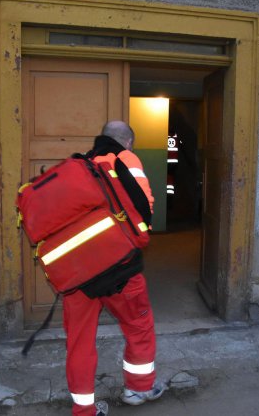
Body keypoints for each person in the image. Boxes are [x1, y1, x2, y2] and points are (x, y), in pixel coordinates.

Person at [63, 120, 166, 416]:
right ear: (128, 142)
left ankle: (84, 410)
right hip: (119, 269)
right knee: (138, 325)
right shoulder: (125, 159)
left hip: (77, 273)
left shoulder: (78, 166)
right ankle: (139, 388)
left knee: (80, 341)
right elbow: (145, 210)